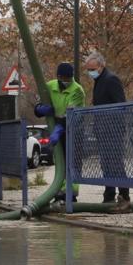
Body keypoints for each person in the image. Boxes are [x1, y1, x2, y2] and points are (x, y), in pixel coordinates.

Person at [85, 50, 130, 211]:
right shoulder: (99, 81)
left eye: (92, 69)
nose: (90, 72)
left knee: (116, 163)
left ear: (101, 66)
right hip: (102, 130)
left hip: (113, 130)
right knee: (106, 164)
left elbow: (120, 104)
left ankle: (124, 197)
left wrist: (112, 123)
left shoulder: (111, 80)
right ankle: (109, 195)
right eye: (88, 69)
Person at [34, 62, 85, 203]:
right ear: (58, 77)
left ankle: (71, 194)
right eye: (63, 78)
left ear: (72, 77)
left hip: (74, 130)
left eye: (68, 79)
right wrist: (39, 109)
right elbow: (38, 103)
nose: (66, 82)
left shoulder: (77, 91)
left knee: (72, 162)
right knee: (60, 161)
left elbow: (72, 115)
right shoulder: (50, 86)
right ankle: (59, 192)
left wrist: (59, 128)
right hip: (58, 127)